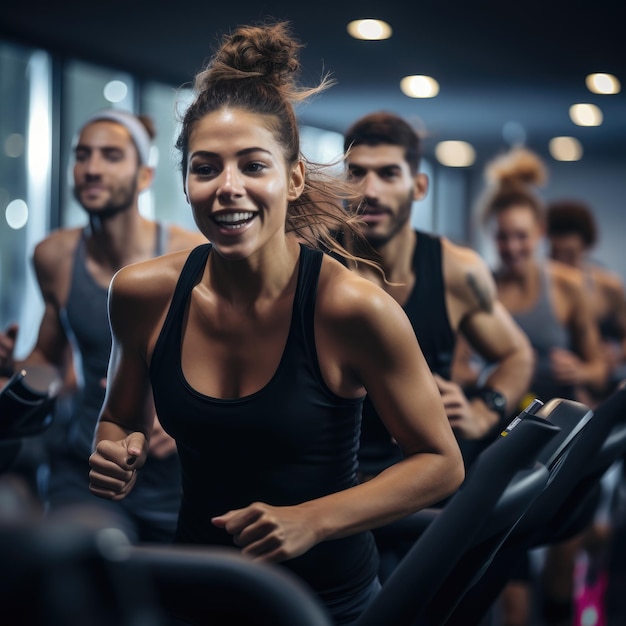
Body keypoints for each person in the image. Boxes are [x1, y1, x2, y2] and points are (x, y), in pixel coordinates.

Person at [86, 21, 464, 626]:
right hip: (199, 592)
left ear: (291, 179)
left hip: (325, 604)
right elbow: (118, 420)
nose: (227, 188)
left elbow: (440, 462)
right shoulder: (141, 294)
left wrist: (312, 519)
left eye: (252, 166)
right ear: (186, 183)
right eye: (206, 168)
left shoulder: (351, 309)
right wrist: (114, 451)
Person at [0, 108, 207, 543]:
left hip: (176, 473)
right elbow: (49, 357)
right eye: (82, 155)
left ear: (144, 176)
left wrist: (185, 418)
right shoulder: (53, 255)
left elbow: (226, 362)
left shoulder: (191, 255)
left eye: (111, 156)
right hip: (85, 463)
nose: (92, 169)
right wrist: (14, 372)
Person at [340, 111, 533, 474]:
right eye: (356, 172)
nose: (369, 190)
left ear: (419, 186)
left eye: (388, 173)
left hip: (428, 475)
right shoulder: (313, 263)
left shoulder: (457, 269)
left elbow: (517, 354)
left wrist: (484, 410)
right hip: (335, 480)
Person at [478, 146, 608, 626]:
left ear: (538, 234)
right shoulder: (483, 286)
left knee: (557, 572)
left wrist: (582, 370)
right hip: (511, 439)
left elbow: (599, 367)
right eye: (502, 237)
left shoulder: (568, 286)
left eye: (520, 237)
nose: (511, 247)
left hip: (571, 443)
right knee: (507, 577)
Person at [547, 198, 626, 405]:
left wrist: (615, 356)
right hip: (559, 386)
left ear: (586, 247)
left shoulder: (608, 286)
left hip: (603, 382)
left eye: (570, 255)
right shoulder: (542, 290)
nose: (562, 265)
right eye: (555, 254)